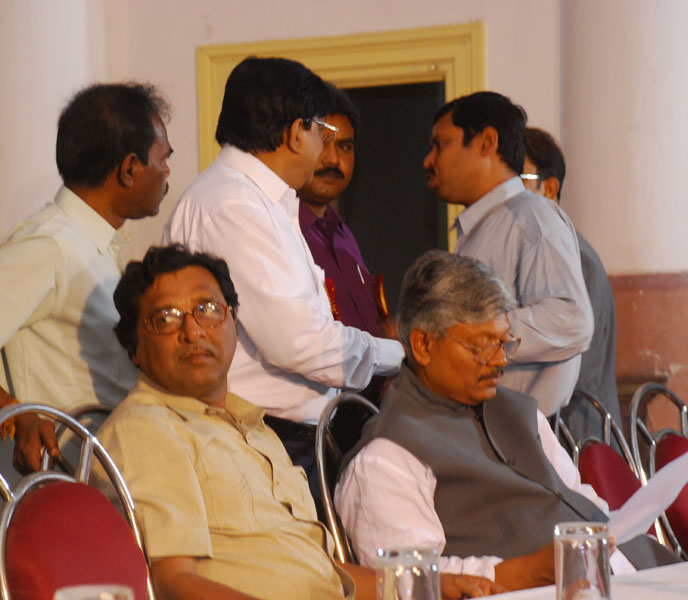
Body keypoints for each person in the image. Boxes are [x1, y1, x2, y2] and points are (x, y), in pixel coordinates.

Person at [97, 243, 500, 600]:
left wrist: (425, 586)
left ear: (234, 324)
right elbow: (174, 585)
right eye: (166, 318)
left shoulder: (253, 427)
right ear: (134, 348)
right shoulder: (148, 428)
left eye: (208, 310)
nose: (192, 331)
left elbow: (327, 575)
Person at [0, 82, 172, 568]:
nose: (168, 171)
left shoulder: (95, 245)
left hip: (95, 492)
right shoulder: (50, 246)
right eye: (163, 159)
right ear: (130, 168)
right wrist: (17, 413)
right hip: (46, 510)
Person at [336, 251, 677, 591]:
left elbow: (575, 496)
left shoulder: (520, 412)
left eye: (504, 342)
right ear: (423, 344)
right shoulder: (385, 458)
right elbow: (412, 582)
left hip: (633, 571)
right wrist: (526, 571)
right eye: (483, 346)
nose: (500, 360)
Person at [163, 57, 403, 484]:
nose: (323, 147)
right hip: (262, 436)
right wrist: (401, 356)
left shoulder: (258, 199)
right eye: (321, 131)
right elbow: (299, 342)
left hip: (278, 434)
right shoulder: (234, 205)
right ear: (296, 133)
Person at [423, 91, 592, 415]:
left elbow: (572, 319)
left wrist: (473, 332)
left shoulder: (531, 219)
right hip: (485, 428)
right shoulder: (484, 225)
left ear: (487, 142)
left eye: (440, 145)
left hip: (519, 431)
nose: (428, 160)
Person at [521, 126, 622, 438]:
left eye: (517, 179)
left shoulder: (576, 259)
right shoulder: (537, 251)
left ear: (549, 188)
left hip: (578, 437)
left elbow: (573, 371)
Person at [297, 83, 390, 340]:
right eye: (323, 143)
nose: (333, 160)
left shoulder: (343, 234)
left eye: (345, 147)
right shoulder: (281, 231)